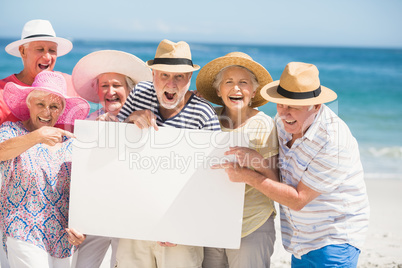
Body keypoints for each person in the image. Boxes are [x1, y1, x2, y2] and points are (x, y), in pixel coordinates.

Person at [213, 62, 370, 267]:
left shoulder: (333, 141)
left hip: (333, 240)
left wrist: (248, 176)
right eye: (281, 104)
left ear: (316, 106)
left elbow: (298, 199)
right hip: (299, 240)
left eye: (293, 107)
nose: (285, 113)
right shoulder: (283, 122)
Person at [114, 39, 221, 268]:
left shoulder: (203, 113)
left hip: (180, 230)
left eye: (179, 76)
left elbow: (213, 177)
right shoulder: (139, 94)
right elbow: (112, 144)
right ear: (153, 74)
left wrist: (182, 225)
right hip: (136, 220)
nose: (171, 84)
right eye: (164, 75)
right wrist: (130, 119)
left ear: (189, 79)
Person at [70, 50, 152, 268]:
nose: (110, 91)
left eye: (117, 85)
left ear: (130, 90)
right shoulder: (90, 123)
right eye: (104, 85)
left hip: (130, 216)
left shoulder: (145, 120)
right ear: (97, 90)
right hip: (95, 214)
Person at [195, 52, 278, 268]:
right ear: (218, 90)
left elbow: (277, 181)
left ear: (254, 90)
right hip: (211, 222)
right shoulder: (207, 117)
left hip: (252, 223)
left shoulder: (265, 125)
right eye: (228, 82)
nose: (236, 88)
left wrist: (256, 160)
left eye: (244, 82)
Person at [0, 71, 90, 268]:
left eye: (54, 106)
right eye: (40, 104)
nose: (47, 112)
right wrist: (37, 136)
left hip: (63, 237)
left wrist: (83, 229)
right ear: (29, 104)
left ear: (61, 111)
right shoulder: (11, 131)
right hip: (22, 229)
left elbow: (84, 192)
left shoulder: (70, 144)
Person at [0, 19, 77, 128]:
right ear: (23, 51)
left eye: (52, 50)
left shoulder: (71, 84)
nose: (47, 57)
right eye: (40, 49)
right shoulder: (1, 93)